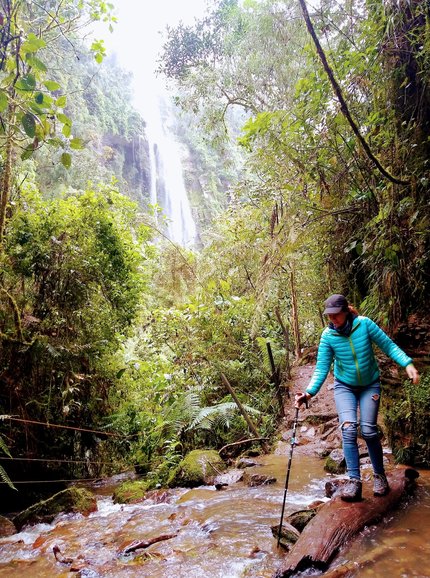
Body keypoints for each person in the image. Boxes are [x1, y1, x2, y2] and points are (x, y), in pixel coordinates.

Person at [295, 294, 420, 502]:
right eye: (330, 316)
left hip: (370, 384)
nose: (332, 319)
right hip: (344, 386)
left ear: (345, 311)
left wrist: (407, 364)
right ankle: (354, 480)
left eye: (336, 315)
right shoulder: (328, 336)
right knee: (348, 429)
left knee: (369, 430)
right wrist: (308, 392)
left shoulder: (365, 325)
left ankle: (380, 476)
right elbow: (321, 368)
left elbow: (388, 346)